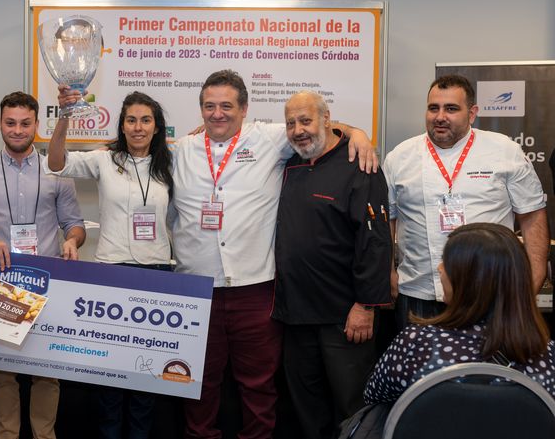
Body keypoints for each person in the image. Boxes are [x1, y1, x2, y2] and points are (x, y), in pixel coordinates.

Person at [168, 69, 377, 439]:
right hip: (197, 289)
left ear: (244, 109)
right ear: (200, 109)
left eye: (226, 106)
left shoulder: (270, 138)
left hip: (256, 288)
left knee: (259, 385)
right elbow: (133, 151)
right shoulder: (180, 150)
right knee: (196, 381)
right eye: (209, 106)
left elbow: (318, 127)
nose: (217, 113)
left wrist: (357, 133)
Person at [0, 91, 86, 439]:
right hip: (0, 284)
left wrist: (72, 240)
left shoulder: (57, 171)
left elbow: (74, 224)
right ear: (0, 124)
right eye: (10, 123)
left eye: (25, 123)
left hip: (48, 282)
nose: (17, 130)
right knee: (2, 373)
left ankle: (44, 435)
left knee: (47, 373)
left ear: (36, 125)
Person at [47, 90, 173, 439]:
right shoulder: (105, 159)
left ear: (157, 126)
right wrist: (64, 116)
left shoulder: (170, 162)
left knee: (147, 375)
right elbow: (56, 163)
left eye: (145, 120)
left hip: (156, 275)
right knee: (110, 376)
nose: (138, 127)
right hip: (112, 274)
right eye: (131, 120)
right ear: (122, 125)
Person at [384, 74, 549, 330]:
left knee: (489, 358)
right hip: (418, 292)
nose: (440, 116)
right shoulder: (400, 157)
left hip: (490, 295)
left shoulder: (504, 151)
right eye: (433, 108)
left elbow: (532, 216)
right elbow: (388, 219)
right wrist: (388, 272)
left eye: (451, 108)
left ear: (472, 114)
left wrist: (532, 281)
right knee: (417, 357)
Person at [273, 91, 392, 439]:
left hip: (345, 316)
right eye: (291, 123)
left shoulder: (359, 164)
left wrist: (366, 306)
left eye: (306, 120)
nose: (298, 130)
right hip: (295, 315)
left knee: (352, 407)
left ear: (327, 120)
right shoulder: (288, 163)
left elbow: (375, 241)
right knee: (306, 410)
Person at [365, 222, 555, 402]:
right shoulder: (547, 356)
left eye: (446, 263)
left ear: (470, 279)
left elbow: (374, 396)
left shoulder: (417, 344)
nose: (439, 269)